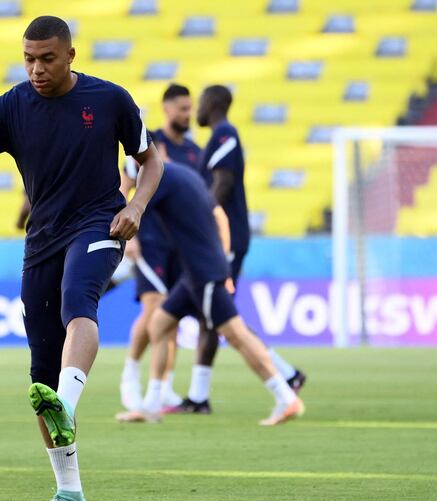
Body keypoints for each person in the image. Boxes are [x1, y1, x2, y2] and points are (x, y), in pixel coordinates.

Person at [0, 15, 163, 501]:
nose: (36, 69)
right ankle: (69, 493)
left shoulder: (110, 100)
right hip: (42, 239)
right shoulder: (8, 107)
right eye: (28, 58)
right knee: (40, 374)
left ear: (70, 55)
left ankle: (66, 406)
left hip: (99, 224)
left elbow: (151, 160)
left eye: (47, 58)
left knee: (79, 301)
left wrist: (134, 206)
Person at [125, 161, 304, 425]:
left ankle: (286, 398)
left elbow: (131, 213)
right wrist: (223, 261)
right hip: (199, 270)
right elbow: (221, 217)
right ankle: (151, 405)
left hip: (202, 273)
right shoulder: (187, 175)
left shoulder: (158, 178)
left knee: (237, 335)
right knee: (160, 324)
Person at [176, 85, 307, 414]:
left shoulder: (224, 134)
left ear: (214, 103)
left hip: (226, 239)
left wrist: (201, 219)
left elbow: (223, 183)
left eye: (201, 103)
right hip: (221, 238)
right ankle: (199, 396)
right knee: (214, 316)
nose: (197, 111)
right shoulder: (218, 136)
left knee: (220, 315)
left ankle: (284, 377)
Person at [119, 83, 201, 414]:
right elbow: (125, 185)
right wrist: (129, 235)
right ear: (167, 108)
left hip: (179, 243)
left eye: (189, 108)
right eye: (182, 108)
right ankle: (131, 373)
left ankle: (164, 385)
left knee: (174, 316)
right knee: (154, 307)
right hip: (148, 236)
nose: (187, 114)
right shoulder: (149, 142)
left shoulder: (195, 151)